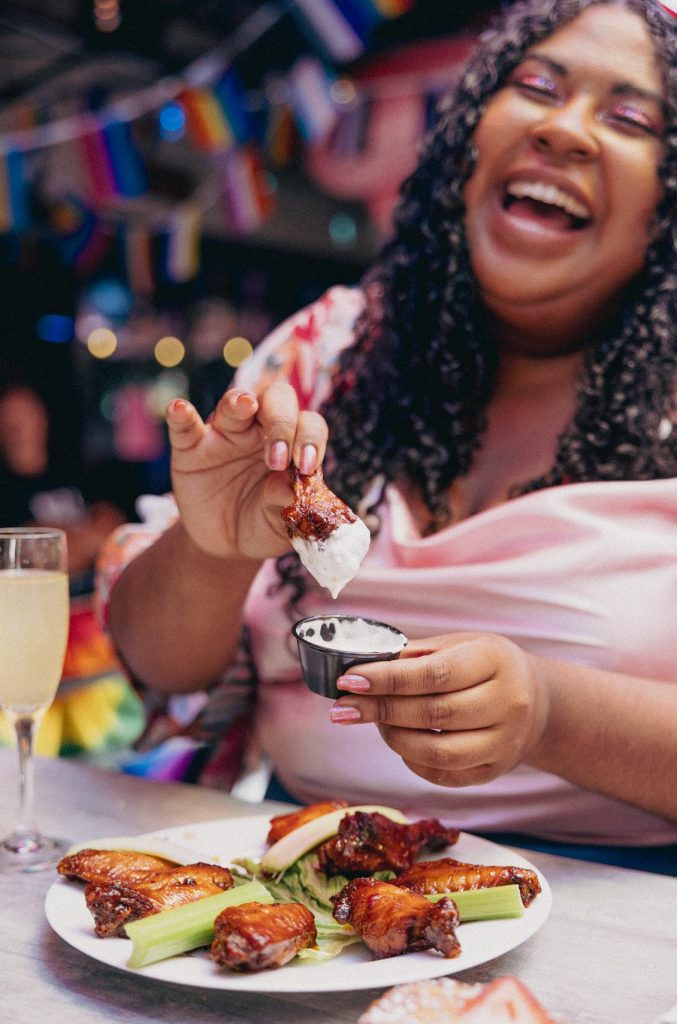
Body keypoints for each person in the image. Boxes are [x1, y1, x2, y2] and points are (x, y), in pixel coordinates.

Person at [99, 0, 677, 871]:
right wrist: (210, 548)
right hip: (306, 902)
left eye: (629, 117)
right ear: (467, 138)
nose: (564, 130)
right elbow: (162, 665)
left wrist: (552, 713)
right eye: (535, 87)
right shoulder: (327, 352)